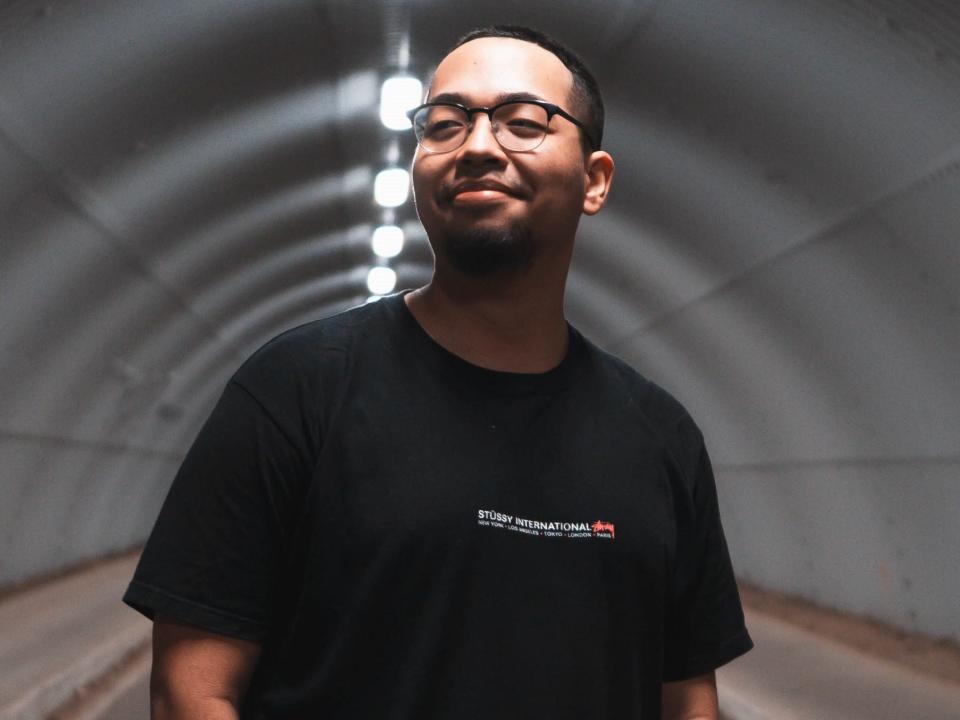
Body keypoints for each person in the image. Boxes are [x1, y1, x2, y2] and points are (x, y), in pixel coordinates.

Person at [124, 24, 753, 720]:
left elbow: (688, 697)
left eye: (523, 123)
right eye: (446, 125)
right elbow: (192, 690)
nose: (478, 147)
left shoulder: (660, 437)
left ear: (594, 181)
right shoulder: (297, 390)